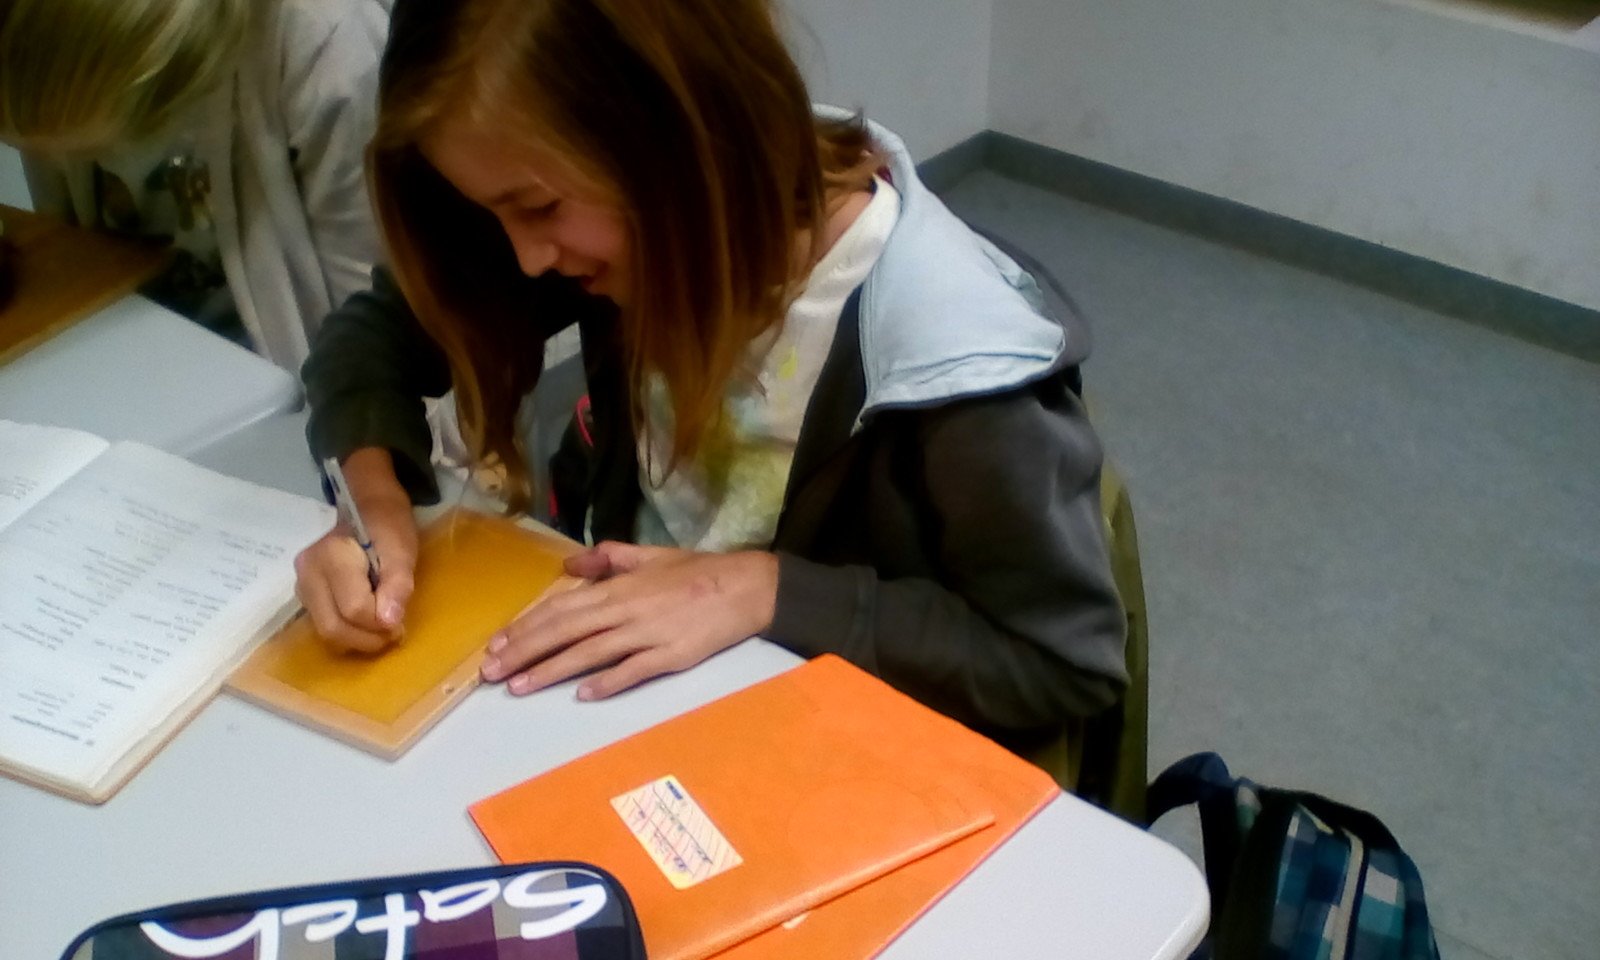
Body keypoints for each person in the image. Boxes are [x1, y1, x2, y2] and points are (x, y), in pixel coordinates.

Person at [293, 0, 1128, 762]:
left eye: (538, 209)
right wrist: (376, 507)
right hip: (628, 704)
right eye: (490, 213)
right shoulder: (628, 225)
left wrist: (766, 589)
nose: (526, 258)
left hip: (816, 742)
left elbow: (1059, 663)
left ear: (676, 138)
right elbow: (370, 340)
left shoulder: (956, 364)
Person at [0, 0, 389, 372]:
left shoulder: (327, 48)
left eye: (87, 151)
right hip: (130, 346)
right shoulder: (36, 60)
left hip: (289, 377)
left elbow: (377, 333)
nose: (55, 164)